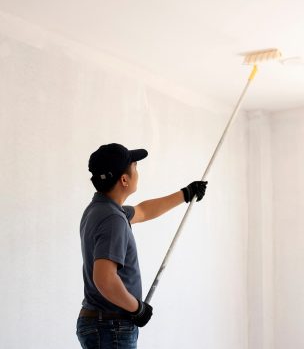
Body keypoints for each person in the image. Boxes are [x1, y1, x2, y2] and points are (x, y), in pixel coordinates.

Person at [76, 143, 207, 349]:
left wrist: (186, 193)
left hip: (104, 324)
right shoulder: (112, 218)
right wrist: (137, 309)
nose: (138, 171)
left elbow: (143, 211)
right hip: (111, 326)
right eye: (135, 166)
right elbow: (105, 279)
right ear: (124, 179)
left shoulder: (100, 209)